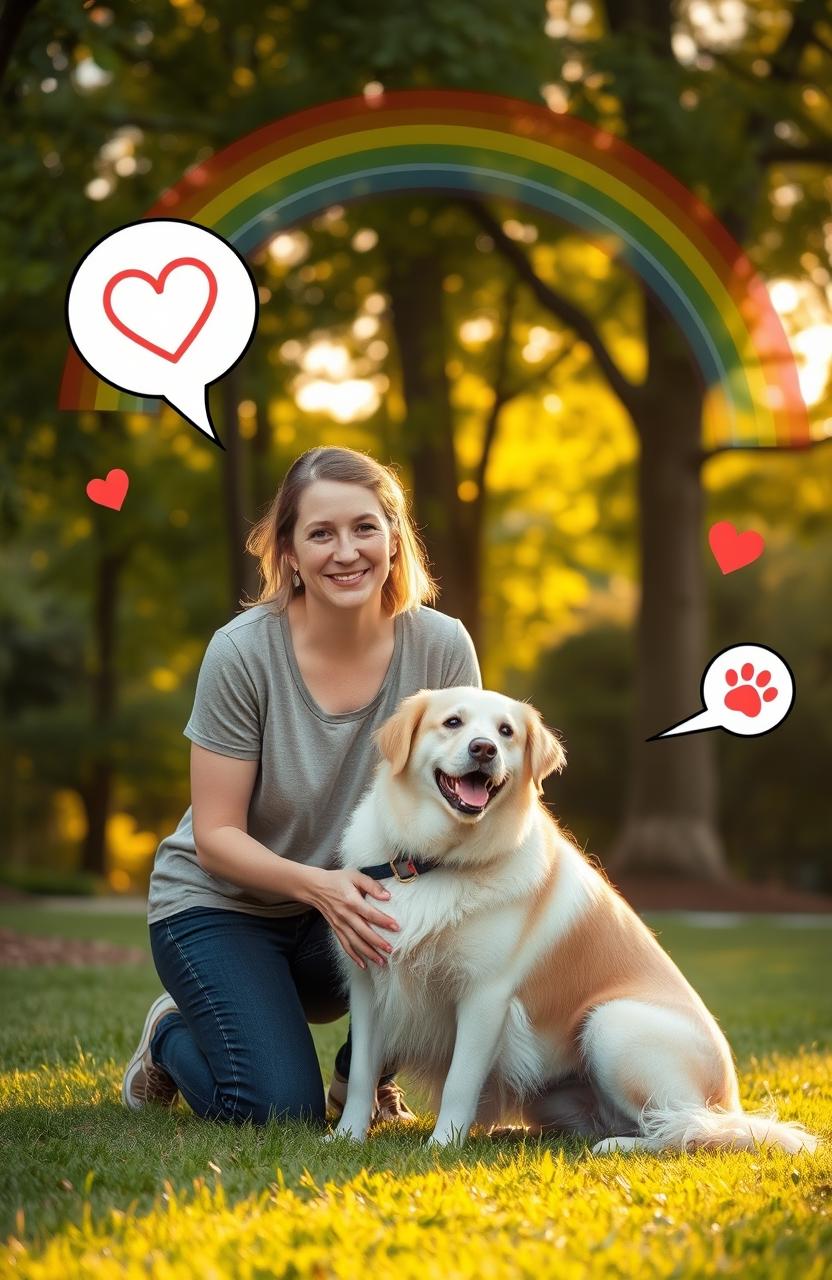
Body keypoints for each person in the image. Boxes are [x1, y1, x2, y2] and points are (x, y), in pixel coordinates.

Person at [121, 445, 482, 1128]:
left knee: (446, 901)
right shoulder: (242, 652)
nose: (346, 551)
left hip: (343, 912)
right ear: (288, 552)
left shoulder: (442, 648)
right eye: (321, 533)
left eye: (364, 527)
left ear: (395, 537)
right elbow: (216, 838)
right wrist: (320, 886)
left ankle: (362, 1078)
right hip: (222, 905)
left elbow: (462, 814)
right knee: (274, 1108)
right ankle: (171, 1037)